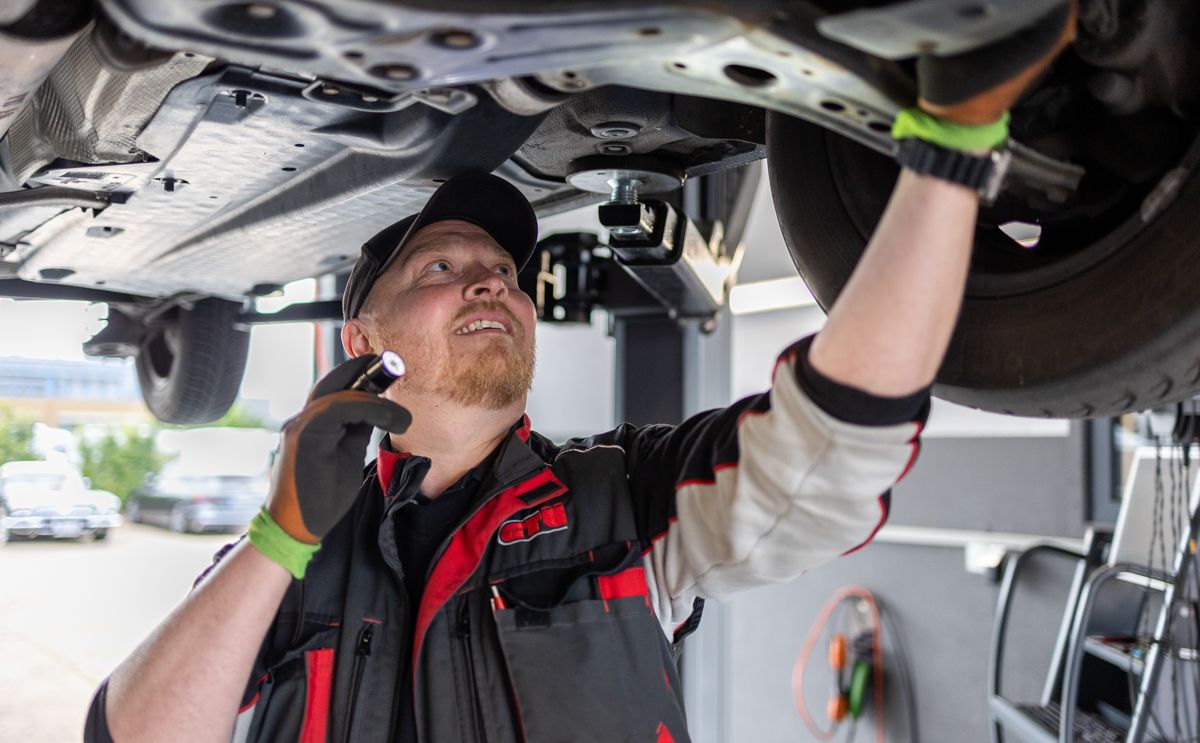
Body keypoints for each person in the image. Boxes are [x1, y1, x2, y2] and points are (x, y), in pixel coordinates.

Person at [85, 7, 1076, 742]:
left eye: (504, 271)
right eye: (441, 267)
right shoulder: (295, 555)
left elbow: (828, 450)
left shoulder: (625, 502)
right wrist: (280, 534)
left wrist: (951, 151)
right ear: (362, 332)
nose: (489, 280)